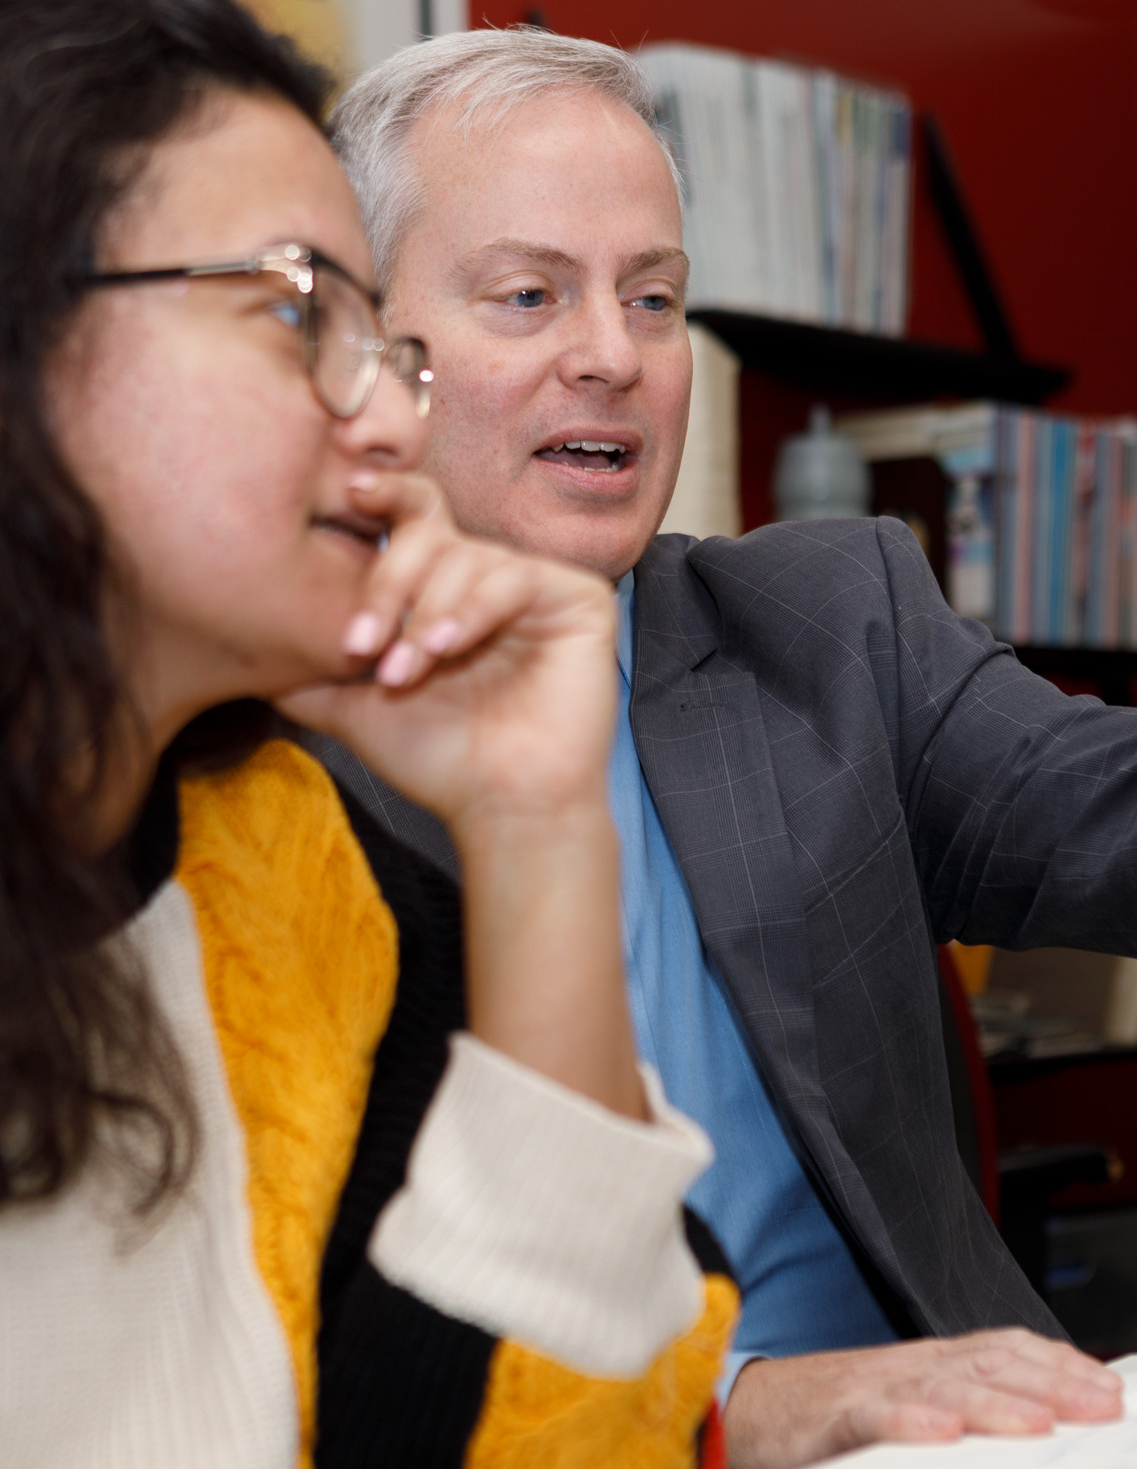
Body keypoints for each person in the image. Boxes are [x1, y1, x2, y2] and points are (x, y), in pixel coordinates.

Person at [0, 3, 739, 1466]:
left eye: (379, 337)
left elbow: (533, 1427)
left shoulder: (291, 862)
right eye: (302, 312)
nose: (386, 410)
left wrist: (534, 821)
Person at [324, 26, 1130, 1469]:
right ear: (363, 353)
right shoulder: (259, 765)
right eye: (531, 294)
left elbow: (1105, 813)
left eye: (655, 299)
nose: (611, 356)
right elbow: (323, 1315)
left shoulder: (827, 624)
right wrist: (738, 1405)